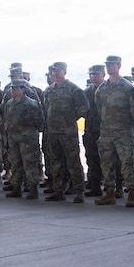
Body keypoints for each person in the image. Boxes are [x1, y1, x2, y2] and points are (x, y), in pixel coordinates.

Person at [94, 56, 134, 207]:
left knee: (127, 163)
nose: (109, 67)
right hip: (106, 132)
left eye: (112, 64)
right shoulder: (102, 88)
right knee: (106, 163)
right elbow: (99, 108)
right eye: (107, 65)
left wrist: (131, 128)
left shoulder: (128, 88)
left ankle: (132, 193)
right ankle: (110, 192)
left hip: (123, 132)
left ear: (119, 66)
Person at [43, 61, 88, 203]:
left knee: (73, 161)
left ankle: (79, 191)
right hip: (53, 132)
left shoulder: (73, 89)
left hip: (68, 132)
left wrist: (71, 118)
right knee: (55, 161)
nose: (55, 73)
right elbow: (46, 107)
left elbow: (84, 106)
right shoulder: (49, 90)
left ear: (65, 72)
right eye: (53, 71)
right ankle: (59, 190)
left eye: (58, 71)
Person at [3, 79, 44, 199]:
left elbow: (39, 120)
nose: (13, 90)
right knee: (15, 162)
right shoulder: (9, 103)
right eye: (12, 88)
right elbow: (6, 118)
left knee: (30, 162)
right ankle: (16, 187)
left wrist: (33, 131)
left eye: (16, 88)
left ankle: (33, 188)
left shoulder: (31, 104)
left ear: (23, 89)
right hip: (13, 137)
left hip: (28, 138)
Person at [83, 64, 105, 196]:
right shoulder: (87, 92)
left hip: (106, 130)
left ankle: (115, 187)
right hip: (91, 129)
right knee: (91, 157)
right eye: (91, 74)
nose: (93, 77)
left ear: (103, 75)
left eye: (96, 74)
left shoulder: (108, 89)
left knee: (110, 159)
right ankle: (95, 185)